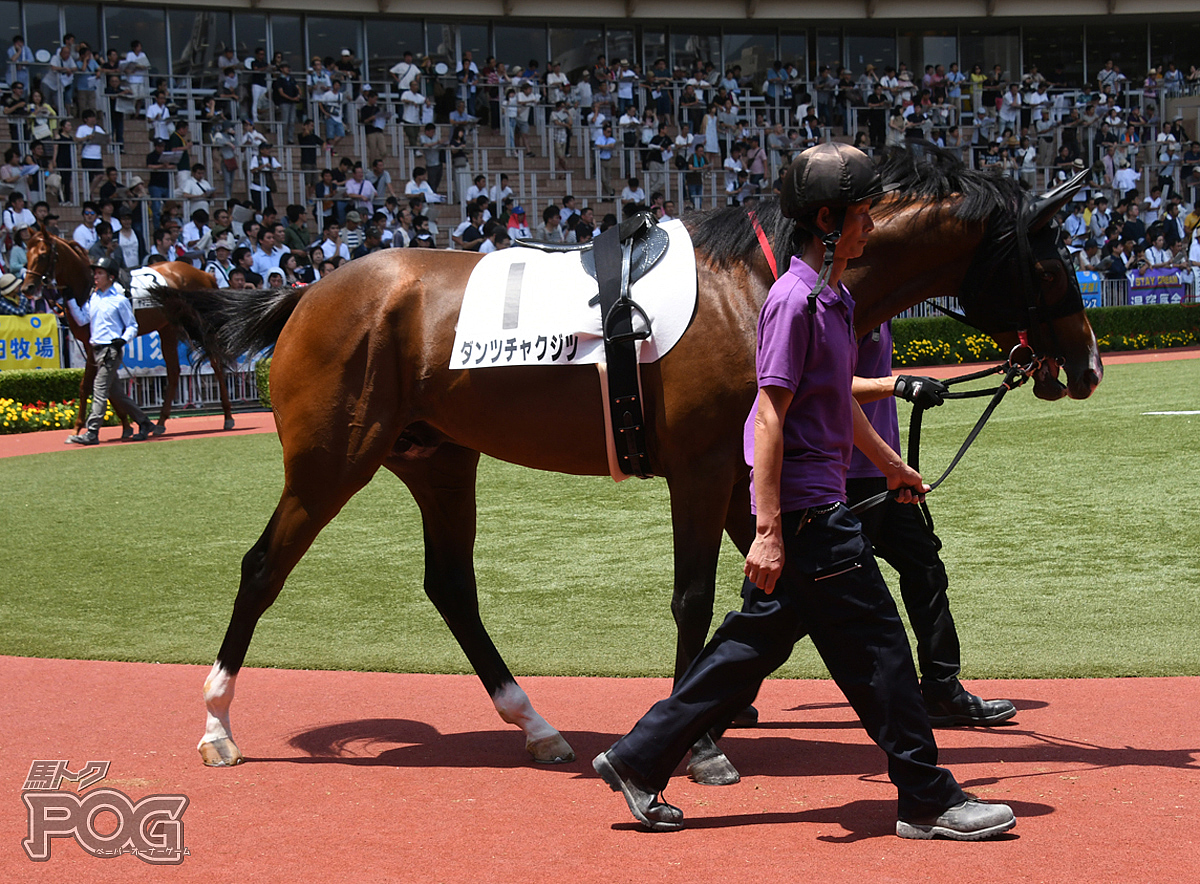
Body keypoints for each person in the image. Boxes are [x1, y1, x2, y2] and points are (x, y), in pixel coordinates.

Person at [592, 143, 1015, 841]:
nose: (871, 227)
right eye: (861, 215)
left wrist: (889, 466)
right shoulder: (793, 302)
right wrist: (766, 528)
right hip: (811, 516)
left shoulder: (837, 298)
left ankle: (637, 760)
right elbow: (768, 413)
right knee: (881, 652)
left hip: (821, 509)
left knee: (745, 650)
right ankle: (927, 799)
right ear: (826, 220)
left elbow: (836, 399)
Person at [848, 322, 1019, 726]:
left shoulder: (879, 310)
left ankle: (942, 688)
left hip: (883, 472)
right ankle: (717, 697)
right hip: (843, 476)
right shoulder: (840, 307)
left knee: (924, 567)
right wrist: (899, 384)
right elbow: (824, 385)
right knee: (798, 604)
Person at [64, 257, 155, 446]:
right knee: (117, 394)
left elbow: (132, 325)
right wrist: (71, 300)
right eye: (95, 273)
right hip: (97, 350)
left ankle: (92, 431)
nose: (95, 276)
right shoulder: (94, 298)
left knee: (99, 390)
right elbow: (82, 319)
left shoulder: (119, 300)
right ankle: (145, 422)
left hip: (110, 350)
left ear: (110, 277)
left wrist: (122, 339)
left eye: (100, 273)